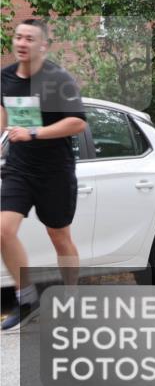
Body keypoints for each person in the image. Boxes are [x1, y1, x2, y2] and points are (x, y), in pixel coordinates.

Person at [1, 19, 87, 330]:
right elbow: (4, 118)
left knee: (59, 237)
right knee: (3, 230)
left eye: (29, 38)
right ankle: (25, 297)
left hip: (55, 170)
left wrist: (34, 132)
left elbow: (77, 123)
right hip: (19, 168)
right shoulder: (5, 78)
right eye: (18, 36)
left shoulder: (58, 79)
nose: (21, 42)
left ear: (43, 46)